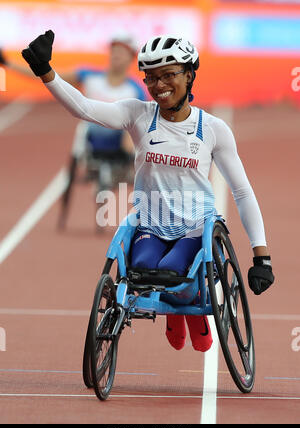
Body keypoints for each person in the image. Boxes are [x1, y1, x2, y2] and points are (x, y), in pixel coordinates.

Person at [21, 30, 275, 352]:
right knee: (142, 271)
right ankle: (176, 303)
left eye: (169, 75)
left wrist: (261, 257)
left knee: (172, 274)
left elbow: (242, 192)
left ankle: (188, 309)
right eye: (151, 78)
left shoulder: (212, 130)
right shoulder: (138, 114)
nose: (159, 85)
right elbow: (83, 108)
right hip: (151, 225)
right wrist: (46, 71)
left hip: (195, 228)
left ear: (189, 74)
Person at [1, 34, 147, 229]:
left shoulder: (136, 89)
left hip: (121, 146)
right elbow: (51, 76)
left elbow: (141, 123)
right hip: (91, 143)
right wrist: (8, 64)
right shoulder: (89, 76)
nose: (117, 55)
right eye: (115, 50)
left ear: (131, 57)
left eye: (122, 52)